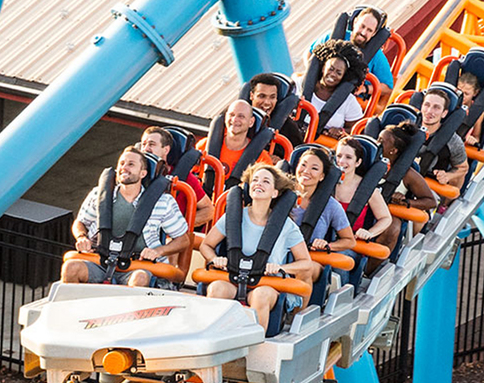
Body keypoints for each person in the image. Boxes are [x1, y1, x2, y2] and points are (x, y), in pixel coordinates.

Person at [199, 163, 314, 332]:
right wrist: (214, 259)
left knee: (260, 296)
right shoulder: (233, 217)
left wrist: (282, 268)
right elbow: (206, 245)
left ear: (275, 193)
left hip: (267, 284)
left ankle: (255, 343)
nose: (259, 183)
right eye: (255, 180)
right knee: (217, 289)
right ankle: (211, 339)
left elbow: (305, 263)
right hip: (233, 279)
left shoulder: (287, 226)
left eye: (266, 181)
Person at [62, 146, 190, 287]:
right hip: (100, 260)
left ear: (142, 173)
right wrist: (81, 237)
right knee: (71, 267)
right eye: (122, 163)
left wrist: (158, 251)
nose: (124, 168)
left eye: (131, 164)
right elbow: (80, 223)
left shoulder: (163, 202)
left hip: (138, 265)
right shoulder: (99, 195)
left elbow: (183, 240)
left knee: (140, 278)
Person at [366, 122, 437, 273]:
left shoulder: (407, 174)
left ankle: (368, 271)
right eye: (378, 139)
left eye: (382, 142)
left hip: (388, 212)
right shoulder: (367, 161)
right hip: (363, 207)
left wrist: (406, 202)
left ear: (393, 150)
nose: (377, 144)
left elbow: (431, 201)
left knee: (393, 227)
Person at [289, 148, 356, 288]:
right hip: (280, 257)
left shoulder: (331, 205)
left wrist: (328, 246)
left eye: (314, 168)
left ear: (321, 176)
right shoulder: (280, 196)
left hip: (311, 260)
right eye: (303, 165)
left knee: (304, 269)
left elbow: (349, 241)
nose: (306, 171)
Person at [139, 126, 214, 226]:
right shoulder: (133, 173)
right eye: (143, 144)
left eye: (152, 144)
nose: (146, 149)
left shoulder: (185, 178)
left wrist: (179, 226)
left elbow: (209, 210)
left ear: (166, 150)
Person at [309, 7, 394, 90]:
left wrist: (365, 89)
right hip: (319, 86)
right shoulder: (331, 36)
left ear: (374, 33)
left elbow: (388, 87)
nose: (363, 32)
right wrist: (311, 75)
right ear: (355, 22)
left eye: (369, 30)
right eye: (362, 26)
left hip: (348, 94)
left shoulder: (376, 55)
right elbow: (309, 53)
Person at [302, 40, 367, 140]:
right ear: (323, 68)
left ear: (344, 76)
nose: (333, 74)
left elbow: (358, 129)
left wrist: (341, 131)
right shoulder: (299, 85)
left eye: (338, 73)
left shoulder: (349, 101)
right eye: (331, 69)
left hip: (324, 145)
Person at [334, 137, 392, 240]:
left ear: (358, 162)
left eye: (348, 157)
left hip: (352, 241)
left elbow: (386, 218)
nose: (342, 161)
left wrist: (369, 233)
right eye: (339, 156)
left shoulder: (366, 188)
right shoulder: (325, 181)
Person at [419, 87, 469, 188]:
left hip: (430, 188)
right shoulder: (407, 128)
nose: (429, 111)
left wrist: (448, 176)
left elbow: (463, 168)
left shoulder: (453, 141)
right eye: (427, 105)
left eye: (436, 107)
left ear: (444, 113)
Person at [248, 73, 306, 148]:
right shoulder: (240, 118)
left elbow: (300, 152)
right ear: (252, 96)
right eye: (262, 96)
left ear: (276, 99)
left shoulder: (288, 127)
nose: (267, 102)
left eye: (272, 97)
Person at [219, 99, 274, 173]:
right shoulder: (205, 146)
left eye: (241, 116)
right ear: (225, 117)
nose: (235, 119)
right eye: (231, 115)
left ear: (251, 122)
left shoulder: (262, 159)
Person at [456, 72, 484, 147]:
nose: (462, 96)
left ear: (475, 93)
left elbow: (476, 137)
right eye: (459, 92)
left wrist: (472, 139)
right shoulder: (451, 103)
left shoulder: (477, 111)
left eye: (466, 94)